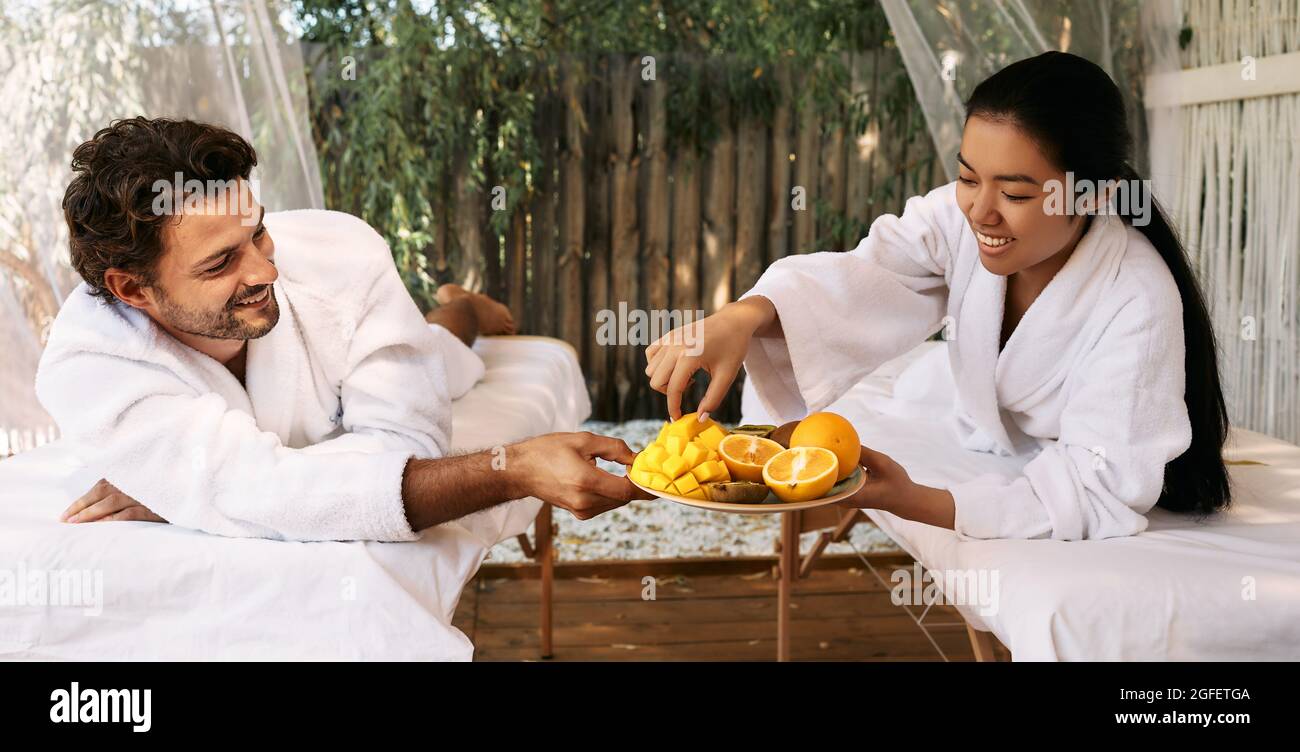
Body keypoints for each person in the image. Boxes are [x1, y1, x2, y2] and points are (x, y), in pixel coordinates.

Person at [645, 52, 1231, 541]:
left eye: (1017, 194)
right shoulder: (957, 219)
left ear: (1095, 195)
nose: (980, 211)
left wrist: (914, 500)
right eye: (969, 177)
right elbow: (867, 276)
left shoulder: (1137, 300)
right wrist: (742, 316)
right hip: (978, 422)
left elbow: (1097, 487)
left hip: (1049, 453)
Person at [40, 116, 649, 540]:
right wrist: (212, 490)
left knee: (449, 345)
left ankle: (469, 305)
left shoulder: (342, 256)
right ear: (131, 289)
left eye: (257, 232)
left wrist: (202, 493)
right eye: (221, 263)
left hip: (414, 334)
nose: (266, 269)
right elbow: (256, 486)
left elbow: (409, 449)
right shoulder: (90, 365)